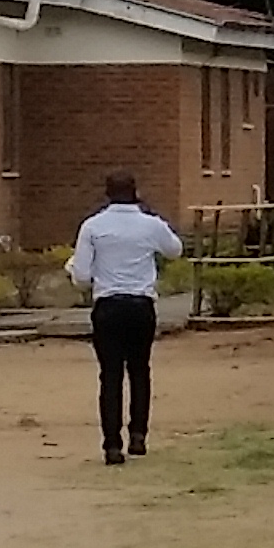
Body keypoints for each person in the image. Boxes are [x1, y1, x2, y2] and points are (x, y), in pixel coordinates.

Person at [67, 172, 187, 464]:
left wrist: (77, 268)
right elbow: (175, 250)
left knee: (110, 375)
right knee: (139, 370)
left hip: (108, 304)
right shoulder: (150, 224)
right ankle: (138, 435)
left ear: (106, 194)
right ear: (137, 191)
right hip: (141, 304)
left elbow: (82, 276)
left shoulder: (93, 226)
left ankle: (111, 444)